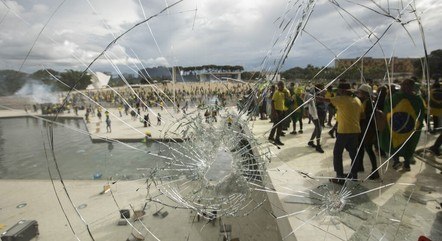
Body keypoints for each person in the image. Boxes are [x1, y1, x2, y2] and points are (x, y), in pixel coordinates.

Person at [380, 78, 426, 172]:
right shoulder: (417, 99)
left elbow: (387, 110)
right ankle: (406, 164)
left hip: (395, 127)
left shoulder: (395, 97)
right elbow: (421, 113)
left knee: (394, 144)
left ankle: (397, 162)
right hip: (411, 128)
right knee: (409, 145)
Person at [328, 82, 363, 184]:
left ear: (343, 91)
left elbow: (326, 100)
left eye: (339, 90)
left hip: (344, 131)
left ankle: (339, 177)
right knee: (353, 154)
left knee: (337, 153)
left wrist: (314, 96)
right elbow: (362, 115)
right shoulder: (357, 100)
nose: (338, 92)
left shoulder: (341, 99)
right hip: (355, 130)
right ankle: (354, 175)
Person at [355, 84, 380, 179]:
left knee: (369, 149)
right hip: (364, 129)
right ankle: (360, 166)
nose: (358, 93)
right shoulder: (366, 101)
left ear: (365, 93)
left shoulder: (369, 103)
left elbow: (367, 117)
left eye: (360, 92)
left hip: (368, 130)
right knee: (361, 148)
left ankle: (375, 171)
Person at [304, 85, 324, 153]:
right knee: (319, 128)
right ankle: (318, 145)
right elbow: (307, 104)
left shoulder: (311, 95)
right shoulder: (310, 96)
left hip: (314, 113)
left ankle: (311, 141)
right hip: (313, 113)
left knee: (317, 128)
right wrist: (307, 113)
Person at [268, 81, 286, 146]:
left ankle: (272, 137)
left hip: (281, 111)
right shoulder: (276, 93)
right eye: (282, 86)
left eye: (283, 86)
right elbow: (272, 102)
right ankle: (276, 139)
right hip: (277, 111)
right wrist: (274, 112)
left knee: (277, 125)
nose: (283, 87)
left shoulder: (282, 93)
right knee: (278, 125)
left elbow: (282, 102)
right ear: (279, 86)